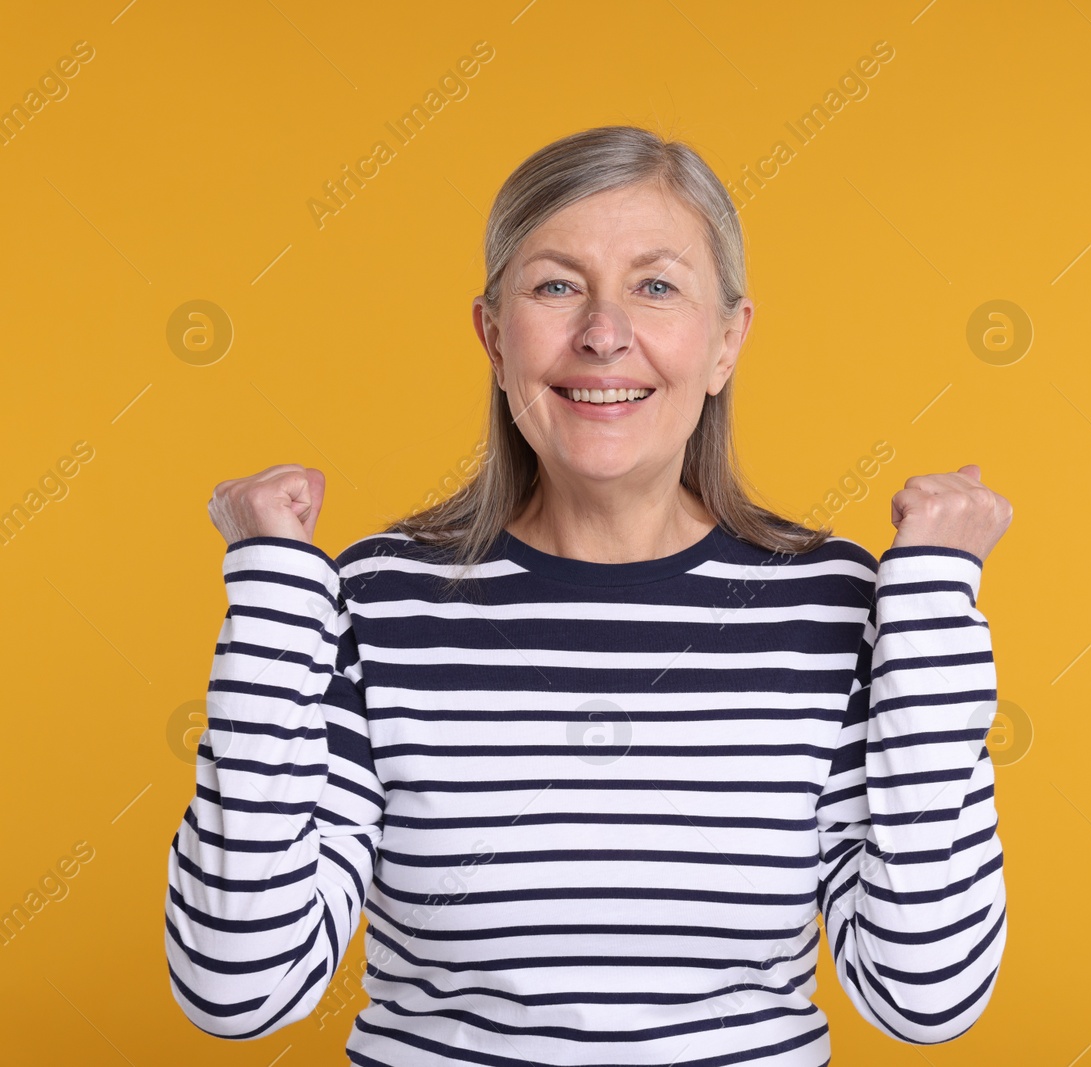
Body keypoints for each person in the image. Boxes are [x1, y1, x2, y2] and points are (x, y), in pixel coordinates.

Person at [164, 125, 1012, 1066]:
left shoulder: (834, 607)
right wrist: (274, 587)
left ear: (727, 341)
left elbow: (927, 995)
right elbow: (235, 983)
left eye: (656, 286)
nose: (604, 333)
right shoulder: (376, 599)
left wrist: (935, 599)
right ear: (493, 336)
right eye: (557, 285)